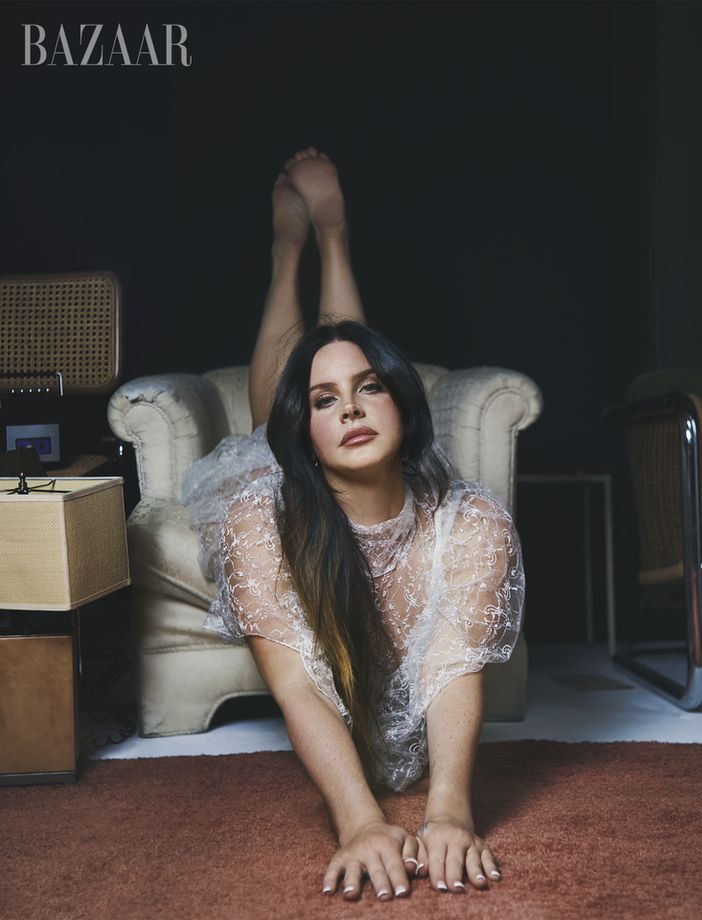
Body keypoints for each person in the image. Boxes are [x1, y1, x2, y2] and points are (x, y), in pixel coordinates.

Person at [181, 148, 525, 902]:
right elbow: (301, 688)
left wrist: (450, 810)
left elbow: (452, 666)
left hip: (389, 500)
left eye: (373, 390)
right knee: (276, 415)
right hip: (295, 496)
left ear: (407, 404)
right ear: (313, 432)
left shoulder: (472, 524)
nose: (356, 408)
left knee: (333, 358)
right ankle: (296, 250)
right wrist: (359, 821)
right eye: (330, 403)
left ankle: (330, 240)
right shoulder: (259, 520)